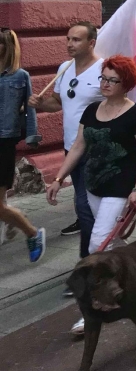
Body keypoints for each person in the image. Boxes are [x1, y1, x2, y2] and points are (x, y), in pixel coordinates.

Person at [46, 55, 136, 336]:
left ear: (125, 84)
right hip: (94, 185)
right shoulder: (92, 110)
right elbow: (78, 147)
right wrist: (58, 178)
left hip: (121, 188)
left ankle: (95, 307)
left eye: (112, 80)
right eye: (103, 78)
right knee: (114, 243)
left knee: (97, 245)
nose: (104, 84)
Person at [29, 22, 103, 258]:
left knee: (85, 204)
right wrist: (41, 103)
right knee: (86, 204)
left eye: (76, 40)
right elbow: (58, 103)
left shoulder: (104, 70)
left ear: (91, 43)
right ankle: (101, 249)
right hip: (71, 146)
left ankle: (90, 259)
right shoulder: (65, 68)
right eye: (68, 39)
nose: (70, 44)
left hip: (96, 148)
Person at [0, 28, 44, 264]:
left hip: (4, 142)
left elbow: (30, 109)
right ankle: (12, 218)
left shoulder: (20, 76)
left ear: (7, 47)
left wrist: (31, 136)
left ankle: (32, 233)